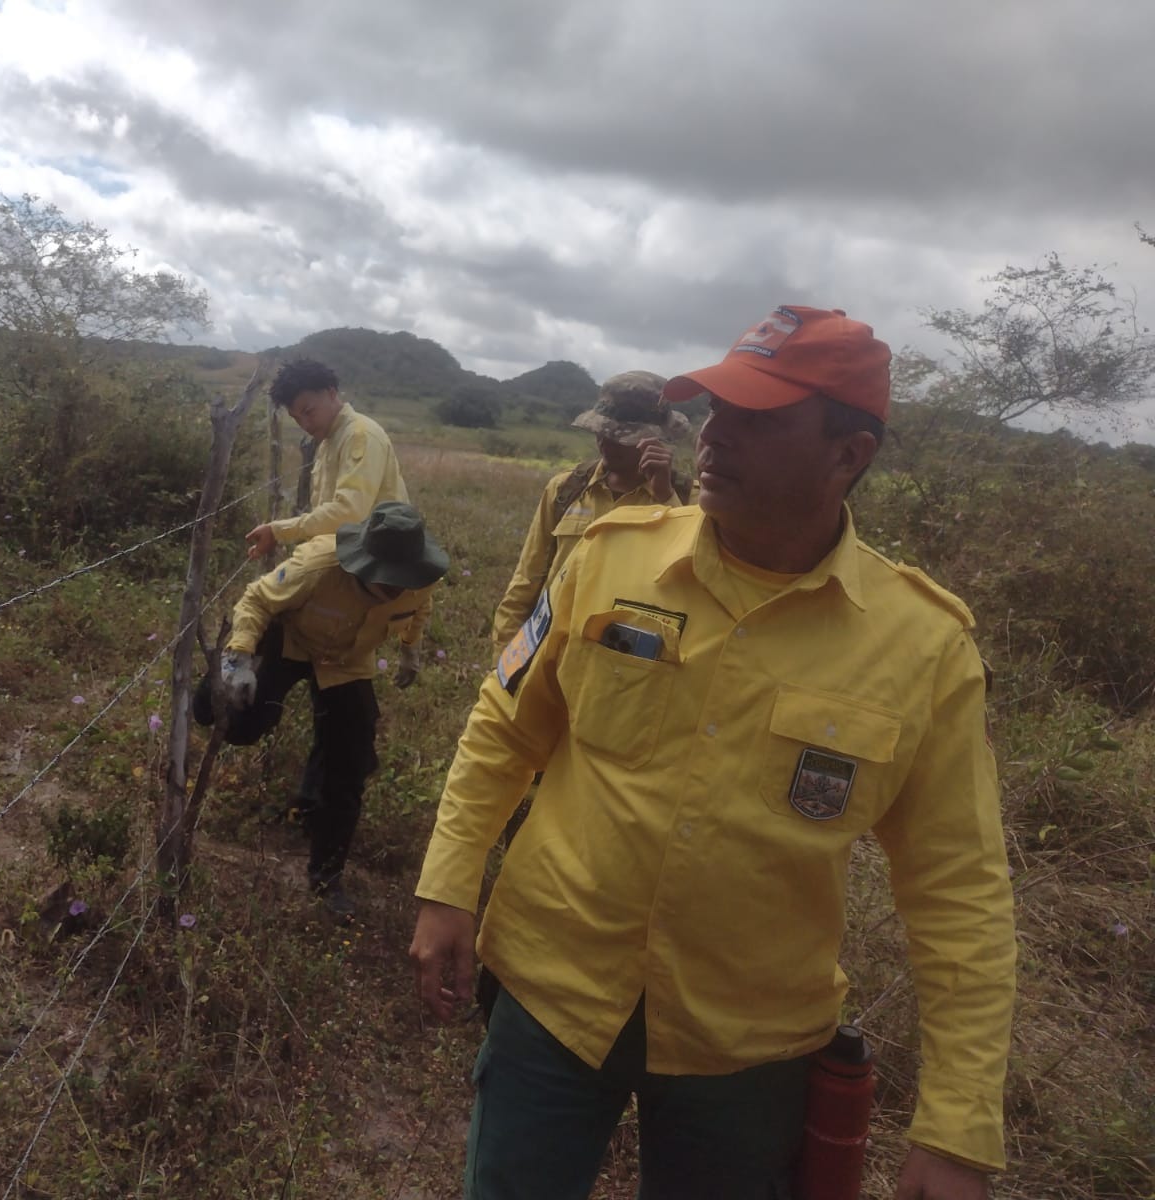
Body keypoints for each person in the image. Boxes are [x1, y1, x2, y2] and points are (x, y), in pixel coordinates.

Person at [409, 306, 1016, 1200]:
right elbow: (506, 724)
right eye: (719, 406)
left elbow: (959, 889)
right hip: (552, 988)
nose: (714, 434)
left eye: (758, 417)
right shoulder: (610, 557)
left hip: (748, 1048)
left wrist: (958, 1126)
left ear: (848, 455)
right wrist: (448, 885)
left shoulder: (924, 648)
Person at [208, 501, 448, 917]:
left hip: (346, 661)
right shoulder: (318, 567)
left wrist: (410, 649)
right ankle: (206, 699)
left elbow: (418, 610)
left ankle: (326, 876)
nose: (396, 587)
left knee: (352, 764)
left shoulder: (420, 576)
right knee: (241, 723)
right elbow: (257, 599)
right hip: (290, 640)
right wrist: (240, 657)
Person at [491, 370, 690, 657]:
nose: (605, 443)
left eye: (620, 437)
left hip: (627, 660)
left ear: (655, 439)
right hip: (552, 652)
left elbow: (692, 582)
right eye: (602, 432)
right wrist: (503, 658)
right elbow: (526, 580)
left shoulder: (687, 500)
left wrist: (665, 496)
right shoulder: (565, 489)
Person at [245, 358, 408, 562]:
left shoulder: (359, 435)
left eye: (308, 412)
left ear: (331, 392)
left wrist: (279, 531)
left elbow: (348, 514)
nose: (305, 425)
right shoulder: (328, 441)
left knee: (275, 583)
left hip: (381, 564)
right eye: (297, 419)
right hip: (351, 557)